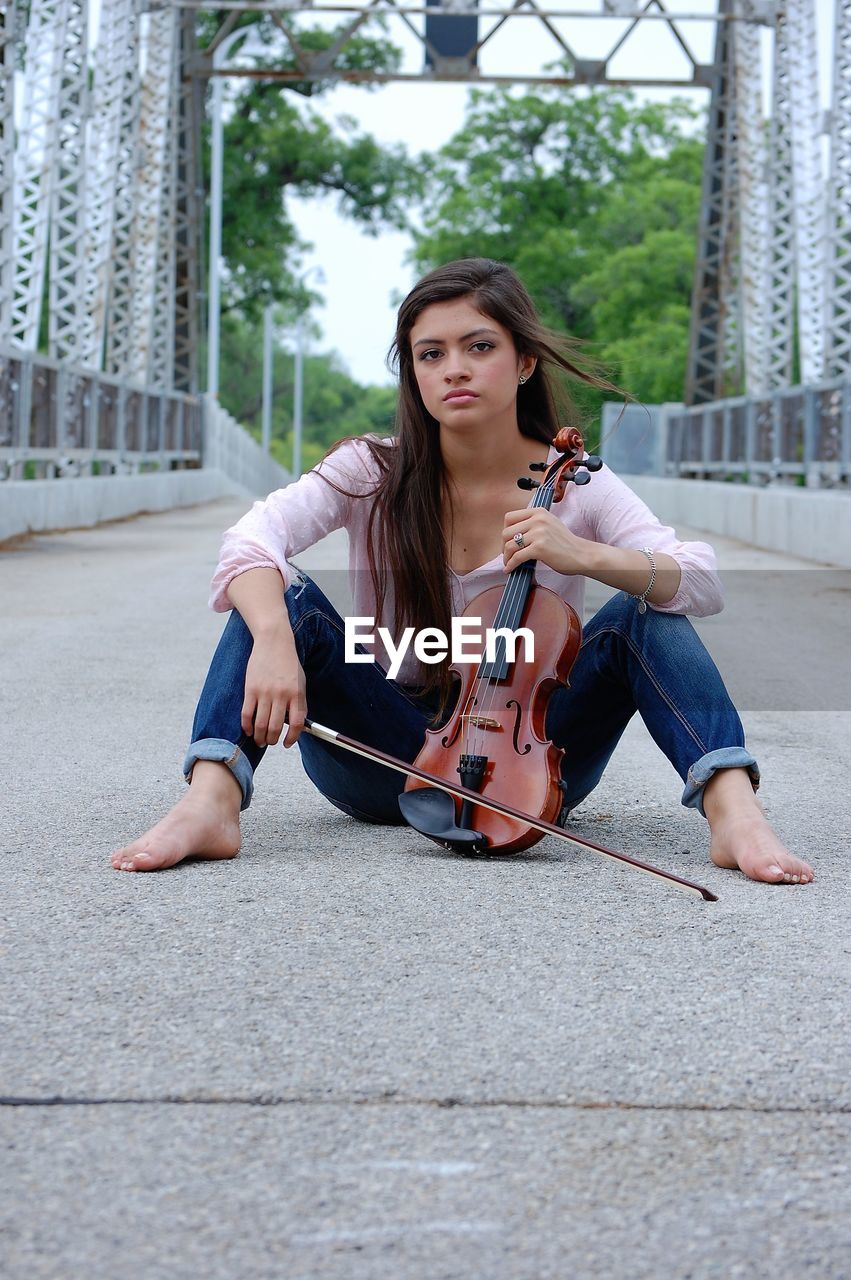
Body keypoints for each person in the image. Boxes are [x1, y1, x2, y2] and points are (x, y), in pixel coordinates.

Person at [112, 258, 814, 885]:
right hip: (383, 754)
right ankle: (210, 801)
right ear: (412, 373)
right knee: (277, 595)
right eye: (430, 353)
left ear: (523, 363)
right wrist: (271, 638)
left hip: (528, 761)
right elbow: (250, 538)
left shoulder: (575, 485)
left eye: (479, 347)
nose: (453, 367)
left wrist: (584, 555)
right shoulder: (371, 470)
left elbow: (698, 579)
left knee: (642, 613)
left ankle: (733, 813)